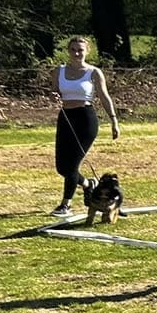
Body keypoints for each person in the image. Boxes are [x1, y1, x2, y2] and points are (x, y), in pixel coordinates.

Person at [51, 35, 119, 216]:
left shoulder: (94, 72)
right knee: (61, 168)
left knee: (72, 166)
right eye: (73, 50)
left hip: (85, 119)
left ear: (87, 51)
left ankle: (65, 204)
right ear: (68, 51)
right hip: (66, 117)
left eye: (80, 50)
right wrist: (54, 96)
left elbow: (104, 96)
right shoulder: (59, 71)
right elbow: (55, 91)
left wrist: (113, 120)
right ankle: (88, 184)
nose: (76, 53)